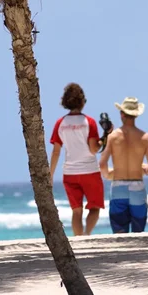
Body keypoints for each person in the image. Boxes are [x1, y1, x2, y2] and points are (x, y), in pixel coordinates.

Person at [49, 83, 104, 236]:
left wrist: (50, 174)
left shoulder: (60, 123)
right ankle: (86, 235)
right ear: (82, 101)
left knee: (76, 210)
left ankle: (79, 240)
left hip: (70, 173)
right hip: (90, 171)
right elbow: (94, 149)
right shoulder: (89, 122)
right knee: (95, 207)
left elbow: (56, 152)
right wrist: (104, 139)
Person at [99, 97, 148, 233]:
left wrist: (109, 175)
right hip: (137, 187)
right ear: (136, 115)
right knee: (138, 234)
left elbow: (102, 164)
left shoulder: (112, 137)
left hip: (118, 187)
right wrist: (144, 170)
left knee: (120, 234)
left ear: (121, 114)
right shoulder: (146, 138)